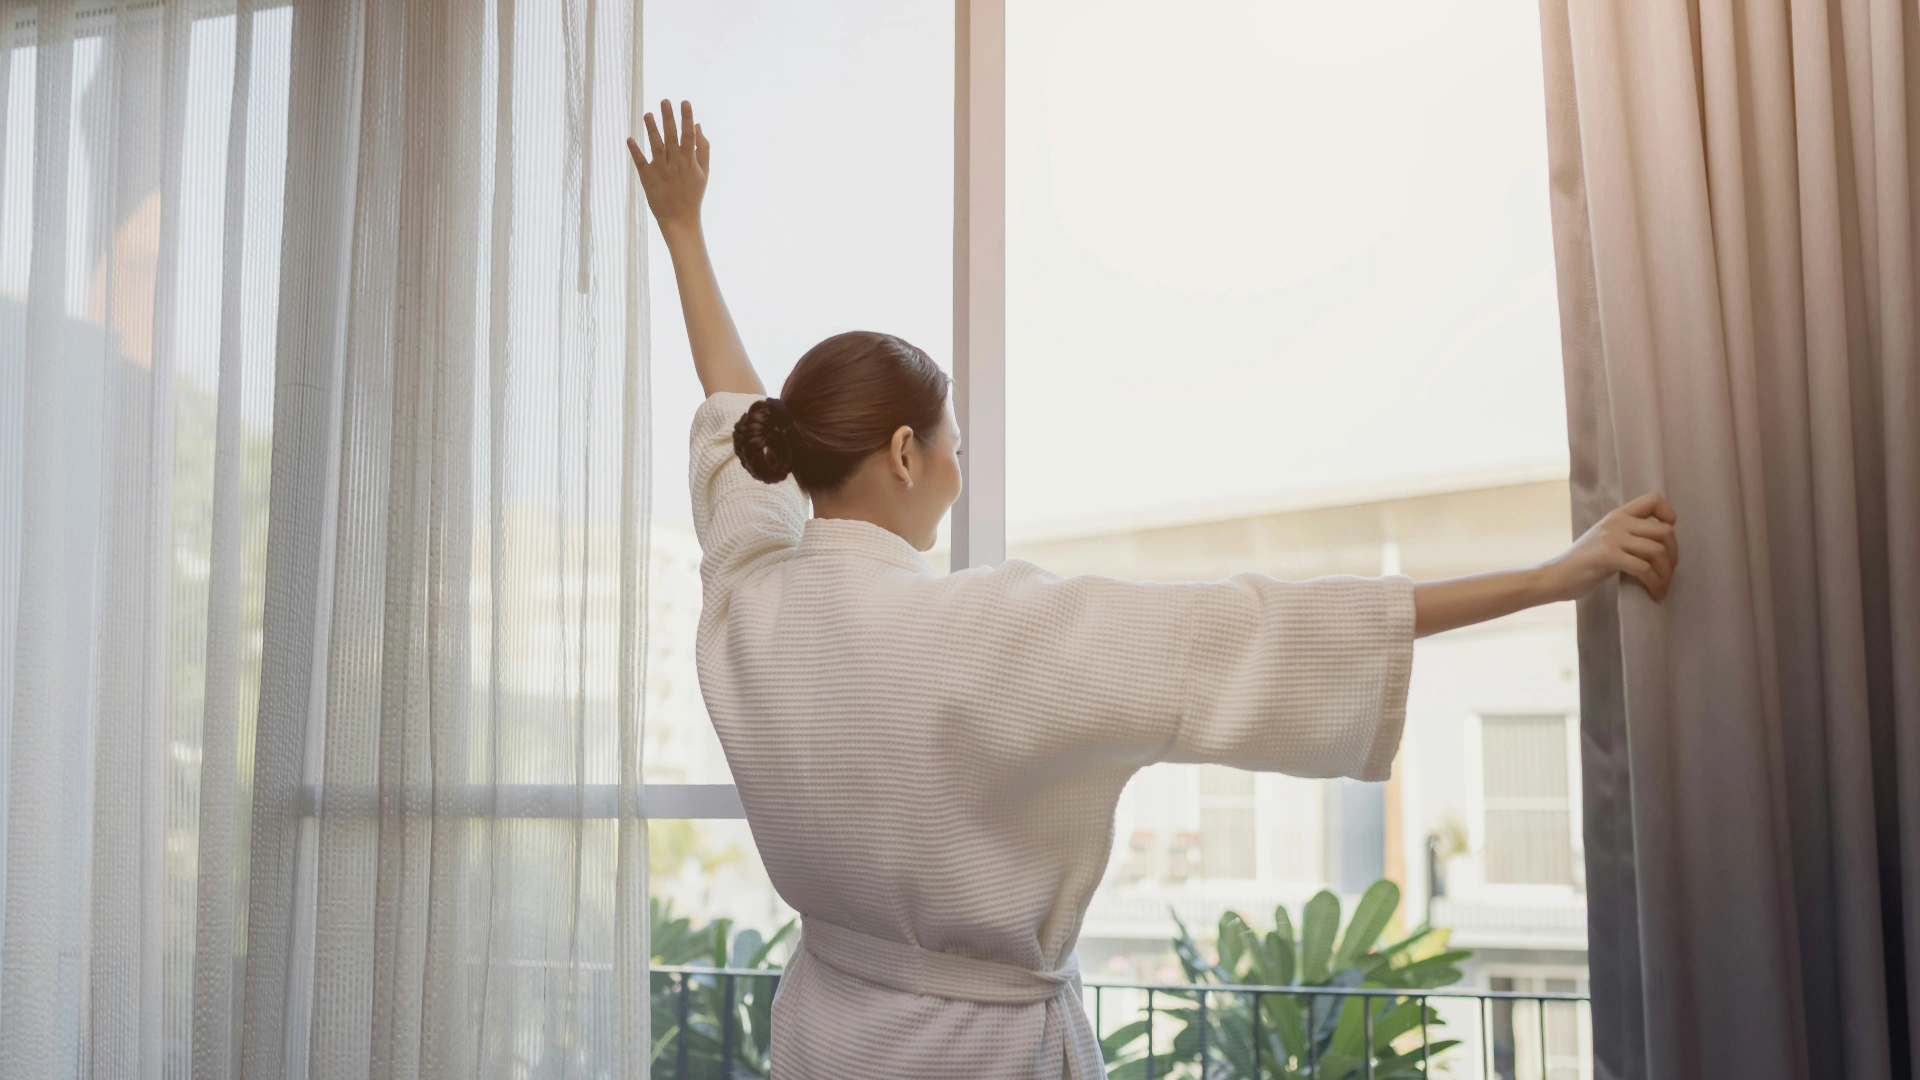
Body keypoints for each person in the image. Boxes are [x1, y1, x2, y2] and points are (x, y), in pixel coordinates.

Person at [628, 100, 1678, 1080]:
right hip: (979, 1052)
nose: (964, 460)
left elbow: (732, 419)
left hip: (823, 1035)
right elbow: (1274, 629)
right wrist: (1553, 574)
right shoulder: (992, 631)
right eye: (956, 442)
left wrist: (684, 231)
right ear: (905, 453)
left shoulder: (745, 608)